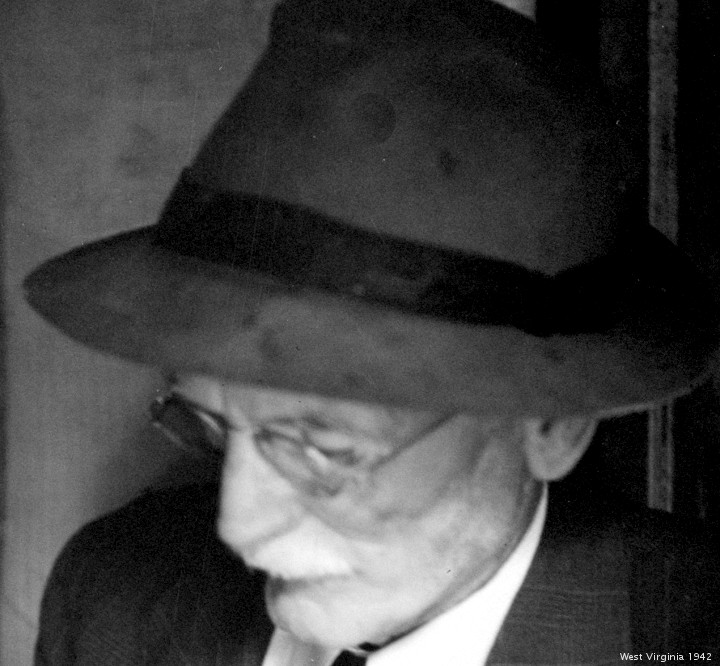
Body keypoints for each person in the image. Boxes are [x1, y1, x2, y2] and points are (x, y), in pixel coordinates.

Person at [26, 0, 720, 663]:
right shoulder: (111, 597)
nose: (238, 525)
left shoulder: (687, 636)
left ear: (551, 425)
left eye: (323, 449)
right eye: (207, 425)